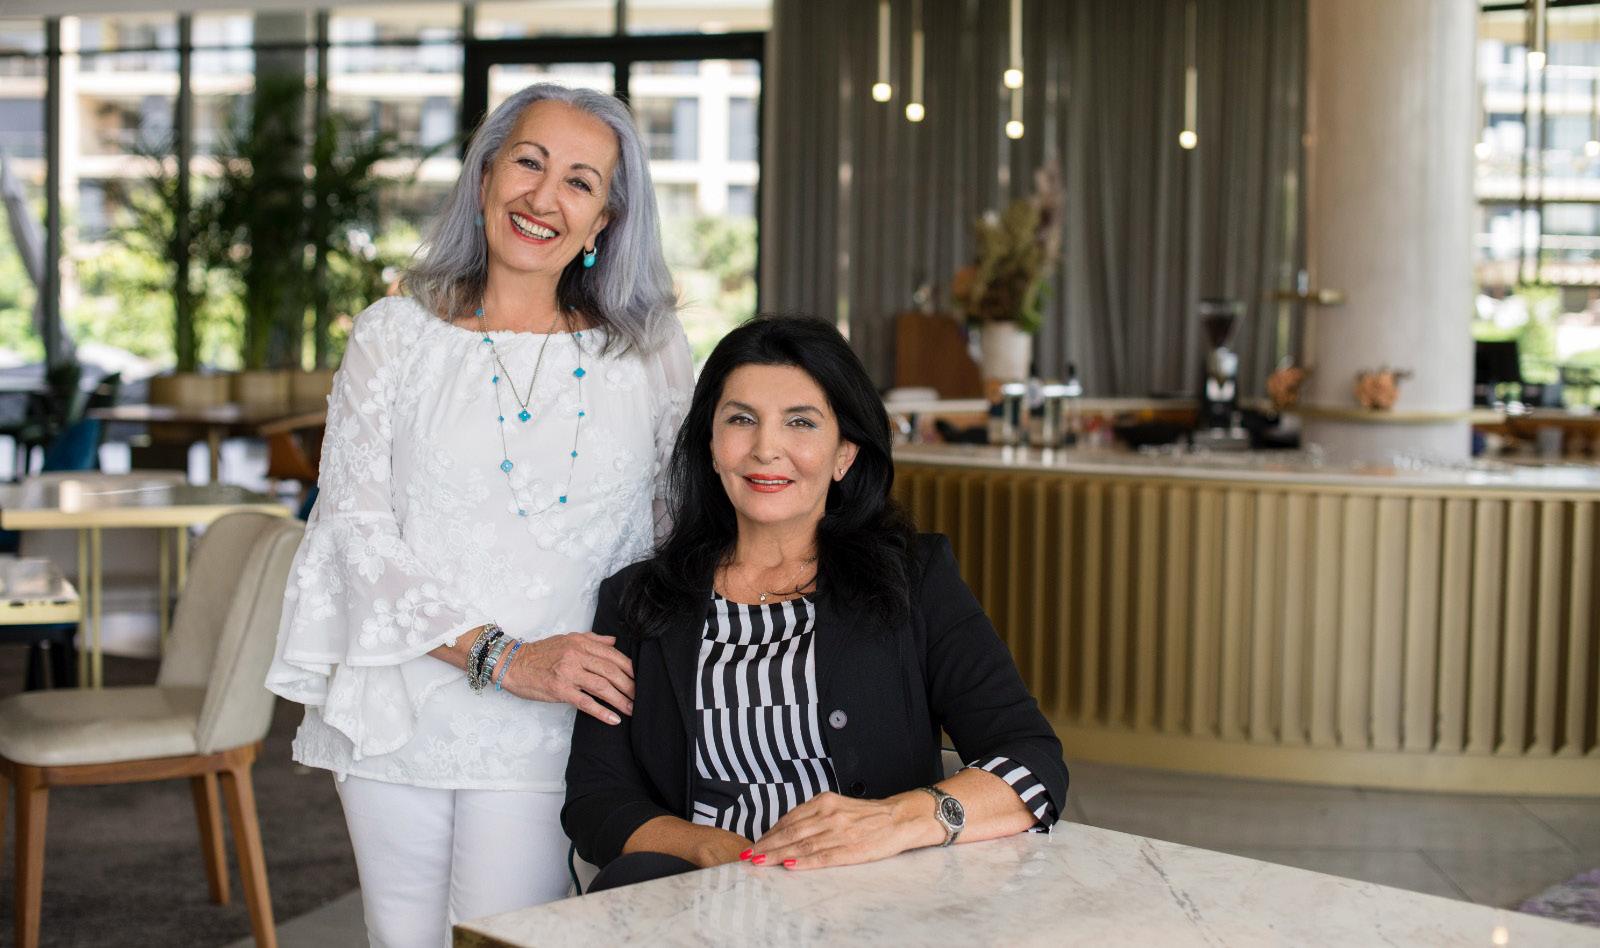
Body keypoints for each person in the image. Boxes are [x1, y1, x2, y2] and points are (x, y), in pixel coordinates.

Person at [265, 83, 692, 947]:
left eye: (579, 181)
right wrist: (504, 658)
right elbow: (353, 528)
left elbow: (676, 532)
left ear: (605, 218)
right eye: (529, 163)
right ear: (487, 174)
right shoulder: (393, 333)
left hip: (563, 719)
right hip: (399, 702)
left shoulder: (648, 351)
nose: (544, 197)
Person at [563, 315, 1067, 891]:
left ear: (844, 453)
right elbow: (597, 798)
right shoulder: (636, 598)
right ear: (711, 445)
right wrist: (716, 850)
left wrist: (894, 821)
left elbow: (1031, 759)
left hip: (872, 896)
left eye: (800, 422)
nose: (766, 449)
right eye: (741, 420)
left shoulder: (915, 578)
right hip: (704, 895)